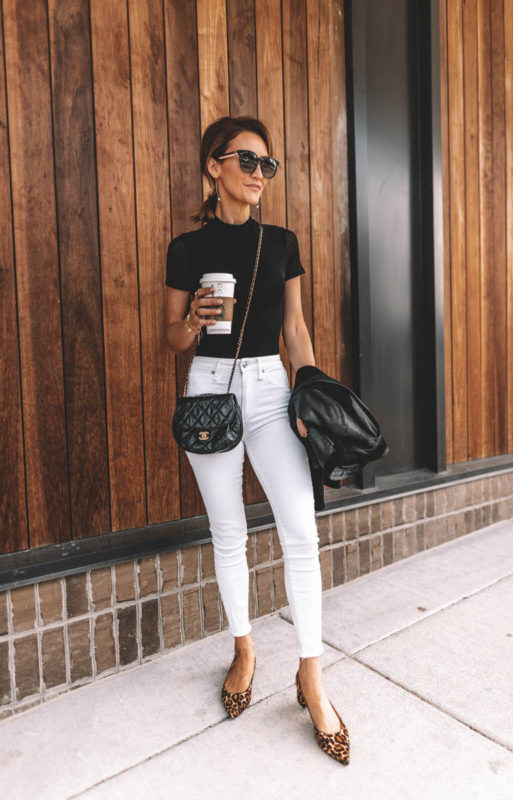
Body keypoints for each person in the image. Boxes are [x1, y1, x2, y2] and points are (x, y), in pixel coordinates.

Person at [164, 116, 349, 764]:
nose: (258, 173)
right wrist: (191, 319)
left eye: (267, 164)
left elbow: (295, 330)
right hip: (210, 385)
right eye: (246, 160)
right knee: (229, 533)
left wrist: (311, 394)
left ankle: (311, 675)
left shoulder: (283, 243)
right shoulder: (187, 250)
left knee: (301, 528)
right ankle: (244, 649)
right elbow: (174, 339)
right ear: (214, 166)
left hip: (272, 391)